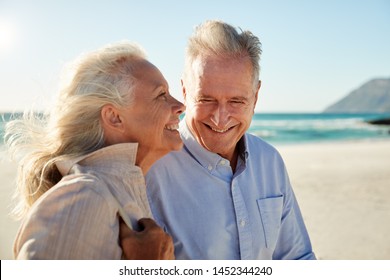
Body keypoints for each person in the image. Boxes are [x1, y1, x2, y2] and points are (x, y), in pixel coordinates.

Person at [145, 20, 316, 259]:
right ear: (184, 91)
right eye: (206, 99)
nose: (220, 118)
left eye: (236, 101)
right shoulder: (150, 170)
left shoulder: (270, 161)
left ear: (255, 97)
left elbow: (297, 258)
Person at [4, 42, 184, 259]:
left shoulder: (116, 189)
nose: (180, 105)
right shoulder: (85, 196)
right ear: (114, 117)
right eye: (161, 94)